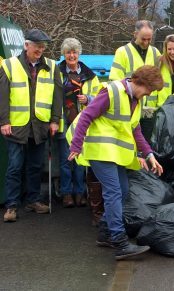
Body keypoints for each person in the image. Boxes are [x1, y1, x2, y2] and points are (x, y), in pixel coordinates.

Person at [67, 65, 164, 260]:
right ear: (140, 83)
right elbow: (87, 115)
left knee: (123, 189)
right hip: (98, 150)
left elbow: (135, 130)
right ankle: (120, 242)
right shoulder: (111, 91)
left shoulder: (135, 100)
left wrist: (149, 154)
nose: (149, 94)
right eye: (149, 90)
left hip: (112, 152)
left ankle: (105, 232)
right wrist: (76, 146)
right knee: (114, 192)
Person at [1, 29, 62, 223]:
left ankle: (33, 200)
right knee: (14, 167)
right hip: (17, 125)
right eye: (37, 45)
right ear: (26, 45)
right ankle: (11, 206)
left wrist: (55, 120)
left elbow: (57, 97)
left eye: (43, 46)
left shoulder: (52, 66)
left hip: (40, 125)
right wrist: (4, 121)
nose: (41, 49)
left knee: (36, 166)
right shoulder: (9, 65)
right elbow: (2, 96)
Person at [57, 37, 102, 208]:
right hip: (63, 120)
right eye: (68, 52)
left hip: (82, 122)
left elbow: (100, 97)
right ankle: (67, 193)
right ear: (64, 54)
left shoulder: (90, 75)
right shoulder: (57, 72)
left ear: (79, 53)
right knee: (65, 159)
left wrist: (88, 98)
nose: (71, 55)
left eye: (74, 52)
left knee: (80, 160)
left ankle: (80, 192)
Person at [109, 20, 161, 106]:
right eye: (143, 39)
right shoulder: (122, 52)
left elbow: (160, 80)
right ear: (135, 34)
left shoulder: (156, 53)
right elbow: (115, 80)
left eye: (149, 39)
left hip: (152, 107)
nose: (146, 42)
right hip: (130, 106)